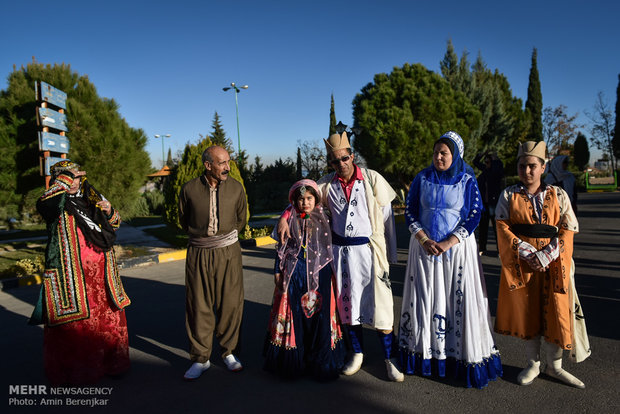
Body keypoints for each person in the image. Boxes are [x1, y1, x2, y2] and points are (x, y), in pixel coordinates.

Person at [278, 131, 403, 382]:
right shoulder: (325, 184)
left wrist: (390, 255)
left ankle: (391, 357)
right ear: (330, 163)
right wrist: (285, 214)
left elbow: (388, 220)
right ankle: (356, 353)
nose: (341, 164)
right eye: (335, 161)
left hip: (369, 252)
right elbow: (303, 198)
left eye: (344, 158)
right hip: (341, 255)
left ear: (352, 156)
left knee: (382, 307)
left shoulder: (372, 179)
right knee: (348, 306)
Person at [398, 131, 502, 389]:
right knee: (425, 298)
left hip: (455, 251)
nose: (438, 156)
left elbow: (475, 214)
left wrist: (448, 242)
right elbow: (410, 210)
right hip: (424, 248)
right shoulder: (422, 178)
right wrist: (423, 238)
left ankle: (457, 358)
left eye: (444, 152)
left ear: (455, 155)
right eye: (436, 152)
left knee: (455, 300)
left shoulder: (467, 179)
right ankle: (425, 355)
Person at [495, 141, 590, 389]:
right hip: (523, 263)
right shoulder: (509, 195)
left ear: (543, 167)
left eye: (532, 166)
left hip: (555, 263)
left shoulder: (558, 194)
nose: (527, 171)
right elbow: (502, 227)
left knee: (557, 310)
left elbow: (569, 226)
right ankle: (533, 363)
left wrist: (548, 254)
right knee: (529, 310)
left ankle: (555, 366)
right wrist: (527, 252)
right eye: (522, 166)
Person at [30, 160, 130, 385]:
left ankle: (112, 365)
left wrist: (110, 210)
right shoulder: (55, 201)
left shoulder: (90, 197)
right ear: (59, 180)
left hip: (102, 274)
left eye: (76, 177)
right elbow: (45, 203)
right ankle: (79, 373)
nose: (74, 182)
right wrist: (64, 177)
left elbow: (113, 225)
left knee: (108, 320)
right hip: (72, 276)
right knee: (76, 326)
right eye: (68, 177)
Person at [264, 179, 345, 380]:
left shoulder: (325, 217)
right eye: (300, 199)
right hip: (295, 272)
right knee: (295, 314)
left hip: (322, 272)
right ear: (294, 201)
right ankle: (295, 361)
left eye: (309, 198)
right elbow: (281, 247)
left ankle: (322, 361)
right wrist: (277, 269)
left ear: (316, 199)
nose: (305, 203)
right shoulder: (289, 218)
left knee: (321, 315)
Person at [178, 145, 248, 380]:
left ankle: (229, 353)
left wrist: (224, 239)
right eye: (222, 163)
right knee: (199, 305)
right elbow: (184, 220)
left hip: (229, 251)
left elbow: (241, 219)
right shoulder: (188, 190)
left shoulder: (236, 189)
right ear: (208, 165)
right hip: (199, 253)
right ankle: (201, 358)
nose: (228, 167)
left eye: (229, 162)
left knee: (230, 303)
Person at [473, 150, 504, 254]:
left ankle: (500, 249)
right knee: (483, 226)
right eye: (485, 162)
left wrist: (494, 158)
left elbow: (498, 167)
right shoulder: (485, 171)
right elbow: (475, 162)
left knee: (496, 227)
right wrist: (481, 154)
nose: (486, 164)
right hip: (484, 203)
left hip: (494, 202)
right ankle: (482, 248)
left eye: (488, 162)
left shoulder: (496, 172)